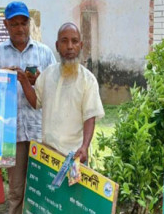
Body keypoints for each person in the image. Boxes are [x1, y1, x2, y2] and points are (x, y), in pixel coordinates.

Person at [0, 1, 57, 214]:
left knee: (40, 186)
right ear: (6, 25)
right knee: (17, 188)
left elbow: (55, 90)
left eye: (23, 23)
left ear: (30, 23)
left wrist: (36, 82)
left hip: (40, 130)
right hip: (13, 132)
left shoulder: (45, 53)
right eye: (14, 24)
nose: (19, 28)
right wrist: (2, 80)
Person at [20, 22, 104, 163]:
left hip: (74, 157)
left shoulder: (88, 80)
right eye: (64, 41)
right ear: (57, 46)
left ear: (81, 46)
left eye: (74, 41)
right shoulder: (47, 74)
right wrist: (24, 81)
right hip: (47, 155)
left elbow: (90, 117)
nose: (70, 46)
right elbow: (36, 102)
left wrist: (84, 147)